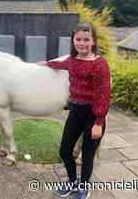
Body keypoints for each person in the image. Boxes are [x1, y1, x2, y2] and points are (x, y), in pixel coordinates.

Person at [37, 22, 111, 199]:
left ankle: (84, 186)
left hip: (93, 116)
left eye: (86, 39)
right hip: (75, 113)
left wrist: (99, 123)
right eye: (78, 39)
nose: (82, 43)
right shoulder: (72, 61)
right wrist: (45, 64)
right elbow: (59, 64)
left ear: (93, 42)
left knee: (87, 155)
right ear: (73, 41)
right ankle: (71, 181)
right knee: (64, 151)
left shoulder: (100, 64)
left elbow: (104, 95)